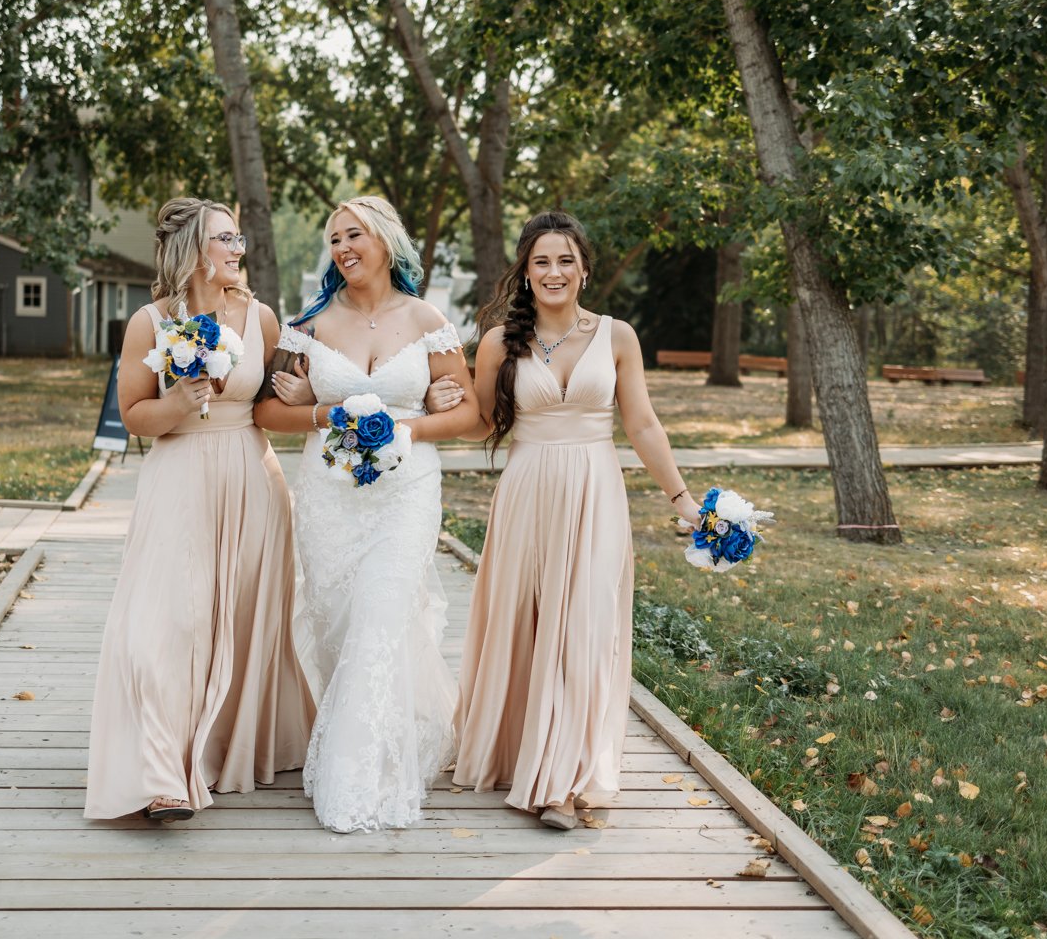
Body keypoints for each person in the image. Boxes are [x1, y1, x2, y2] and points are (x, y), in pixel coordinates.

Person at [448, 211, 702, 830]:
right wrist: (425, 408)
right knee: (530, 624)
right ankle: (530, 758)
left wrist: (683, 501)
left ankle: (562, 780)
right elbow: (480, 423)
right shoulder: (497, 342)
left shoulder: (617, 337)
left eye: (565, 260)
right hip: (528, 493)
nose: (554, 272)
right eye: (541, 261)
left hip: (595, 493)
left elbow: (641, 424)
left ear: (584, 270)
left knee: (585, 627)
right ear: (525, 272)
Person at [254, 196, 479, 833]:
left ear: (385, 240)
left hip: (406, 496)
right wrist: (325, 413)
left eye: (354, 234)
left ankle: (363, 777)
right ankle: (372, 733)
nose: (344, 247)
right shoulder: (311, 324)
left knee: (381, 616)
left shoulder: (428, 319)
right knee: (341, 627)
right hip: (329, 499)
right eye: (334, 240)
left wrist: (411, 426)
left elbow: (470, 415)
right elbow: (268, 415)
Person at [85, 197, 314, 822]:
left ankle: (221, 750)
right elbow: (135, 415)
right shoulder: (150, 321)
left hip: (252, 476)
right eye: (226, 239)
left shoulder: (259, 316)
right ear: (193, 251)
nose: (238, 249)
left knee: (242, 618)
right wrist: (182, 401)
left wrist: (305, 392)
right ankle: (162, 774)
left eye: (239, 239)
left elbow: (271, 402)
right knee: (167, 623)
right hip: (179, 475)